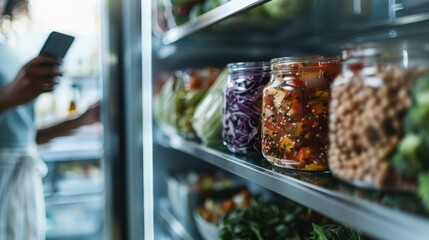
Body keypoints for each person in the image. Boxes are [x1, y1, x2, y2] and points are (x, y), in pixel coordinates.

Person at [0, 0, 100, 239]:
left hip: (21, 178)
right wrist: (9, 97)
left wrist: (81, 120)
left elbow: (24, 136)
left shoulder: (8, 50)